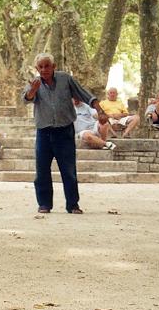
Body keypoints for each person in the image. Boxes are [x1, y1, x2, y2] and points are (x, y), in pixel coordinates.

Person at [23, 53, 107, 214]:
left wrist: (100, 110)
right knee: (42, 170)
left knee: (68, 170)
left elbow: (85, 94)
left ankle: (73, 204)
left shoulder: (65, 79)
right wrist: (33, 90)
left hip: (64, 131)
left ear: (54, 67)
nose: (44, 69)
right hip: (44, 132)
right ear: (36, 68)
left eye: (47, 66)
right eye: (40, 67)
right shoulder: (34, 83)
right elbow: (26, 99)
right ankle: (44, 204)